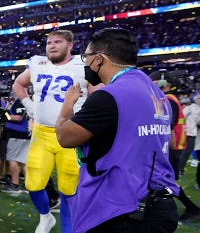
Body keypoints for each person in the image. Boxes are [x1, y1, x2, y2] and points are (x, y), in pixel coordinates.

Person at [55, 27, 179, 232]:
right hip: (158, 205)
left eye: (86, 56)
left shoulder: (110, 96)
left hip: (121, 210)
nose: (85, 62)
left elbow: (64, 137)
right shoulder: (156, 93)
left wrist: (68, 104)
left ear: (99, 59)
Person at [12, 29, 97, 233]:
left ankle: (69, 229)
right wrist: (28, 105)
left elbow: (97, 95)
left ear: (70, 45)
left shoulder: (83, 66)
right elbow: (19, 83)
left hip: (71, 134)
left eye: (57, 42)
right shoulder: (37, 63)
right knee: (33, 184)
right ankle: (45, 217)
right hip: (41, 134)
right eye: (49, 42)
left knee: (69, 190)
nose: (51, 45)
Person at [150, 71, 200, 222]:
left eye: (153, 81)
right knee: (163, 180)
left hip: (171, 147)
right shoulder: (169, 99)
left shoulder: (167, 100)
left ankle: (192, 209)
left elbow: (167, 126)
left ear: (164, 83)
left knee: (165, 181)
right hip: (172, 146)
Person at [1, 97, 31, 194]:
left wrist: (5, 114)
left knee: (12, 159)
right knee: (24, 161)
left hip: (16, 133)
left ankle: (15, 184)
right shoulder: (30, 99)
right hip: (27, 132)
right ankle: (28, 185)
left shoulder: (21, 100)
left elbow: (18, 117)